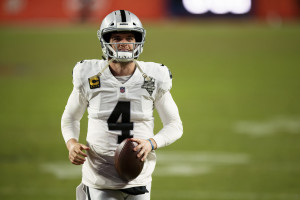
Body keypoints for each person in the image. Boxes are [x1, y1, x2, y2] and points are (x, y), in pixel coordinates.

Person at [61, 10, 183, 200]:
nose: (124, 43)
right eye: (117, 38)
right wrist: (72, 143)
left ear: (138, 41)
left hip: (139, 179)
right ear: (105, 41)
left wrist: (152, 143)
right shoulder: (89, 75)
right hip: (99, 180)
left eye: (129, 37)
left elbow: (175, 125)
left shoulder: (153, 78)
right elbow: (70, 118)